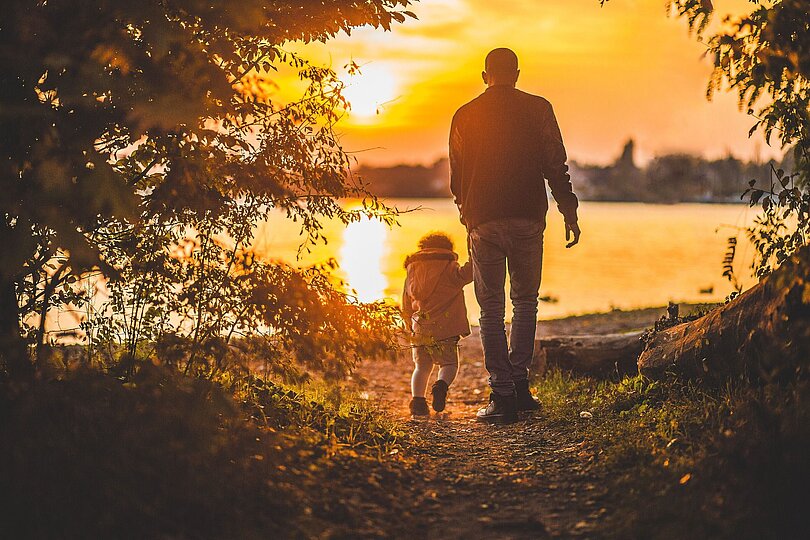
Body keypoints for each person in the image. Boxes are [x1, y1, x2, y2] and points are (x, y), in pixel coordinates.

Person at [449, 47, 581, 423]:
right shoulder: (539, 108)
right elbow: (555, 164)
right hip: (527, 216)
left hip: (484, 221)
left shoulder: (465, 114)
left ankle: (502, 393)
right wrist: (568, 210)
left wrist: (467, 215)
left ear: (484, 75)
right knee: (526, 302)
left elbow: (457, 176)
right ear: (517, 74)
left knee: (490, 309)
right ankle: (520, 387)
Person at [402, 232, 473, 416]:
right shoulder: (450, 268)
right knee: (448, 364)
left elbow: (405, 302)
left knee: (422, 367)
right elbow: (469, 273)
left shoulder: (412, 271)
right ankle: (441, 386)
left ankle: (418, 402)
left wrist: (408, 325)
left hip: (419, 329)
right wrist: (474, 250)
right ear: (447, 250)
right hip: (446, 329)